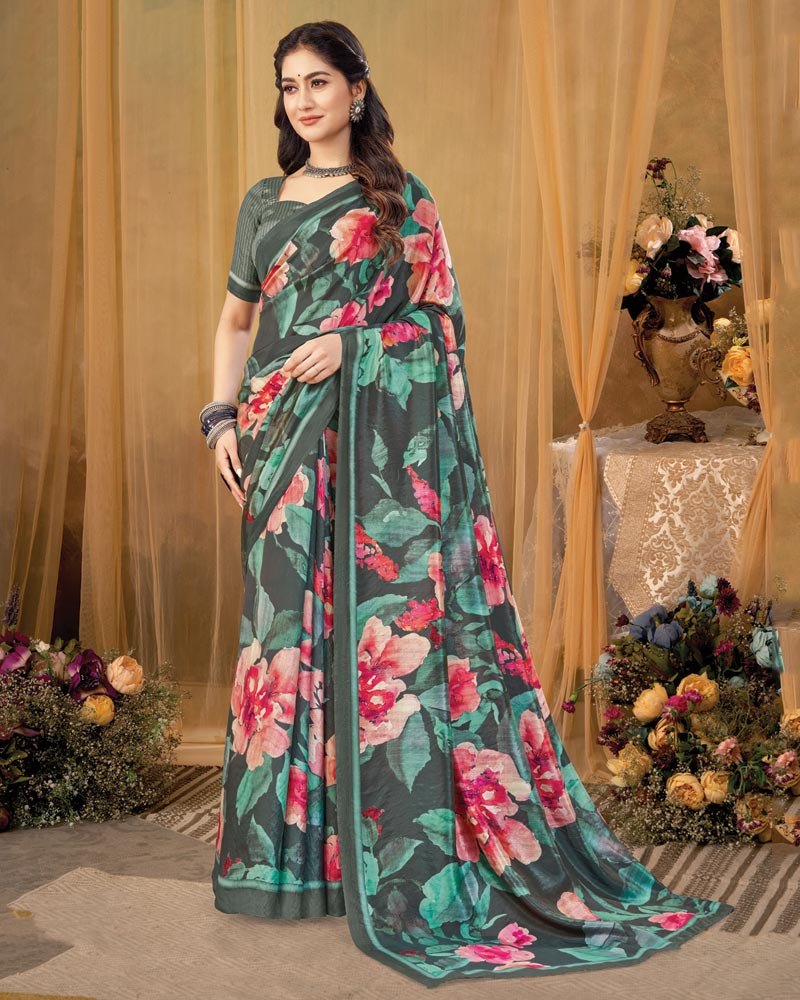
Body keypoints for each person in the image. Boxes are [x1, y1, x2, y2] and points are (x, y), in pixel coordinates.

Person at [205, 19, 733, 987]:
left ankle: (395, 858)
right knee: (287, 641)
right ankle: (292, 865)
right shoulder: (262, 203)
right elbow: (236, 320)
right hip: (279, 444)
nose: (304, 101)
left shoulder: (399, 201)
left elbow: (441, 328)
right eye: (288, 86)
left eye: (319, 82)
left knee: (375, 640)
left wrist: (355, 346)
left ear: (356, 90)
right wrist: (218, 419)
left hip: (370, 454)